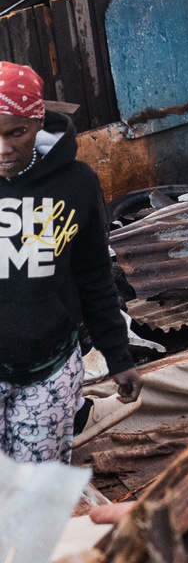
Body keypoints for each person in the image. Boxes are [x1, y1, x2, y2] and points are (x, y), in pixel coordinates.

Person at [0, 61, 141, 462]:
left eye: (16, 132)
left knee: (34, 488)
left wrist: (118, 355)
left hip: (48, 372)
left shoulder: (76, 183)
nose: (3, 148)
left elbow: (94, 275)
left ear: (37, 123)